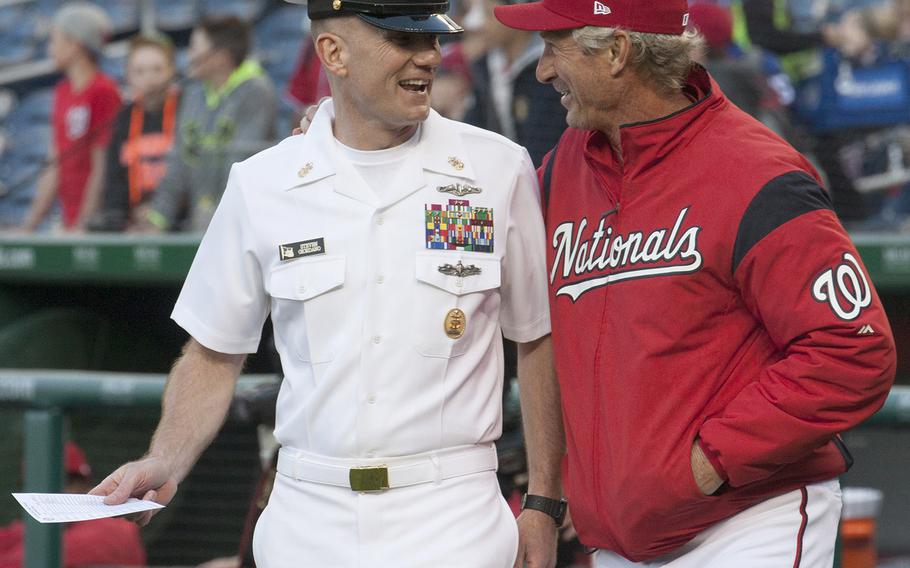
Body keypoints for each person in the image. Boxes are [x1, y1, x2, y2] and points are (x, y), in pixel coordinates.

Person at [91, 1, 564, 567]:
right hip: (304, 519)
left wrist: (543, 502)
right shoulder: (262, 182)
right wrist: (163, 458)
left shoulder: (498, 169)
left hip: (455, 514)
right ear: (333, 53)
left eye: (433, 40)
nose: (429, 56)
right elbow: (213, 351)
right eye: (402, 39)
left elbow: (538, 340)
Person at [492, 1, 897, 567]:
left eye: (555, 47)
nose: (542, 70)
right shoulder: (567, 165)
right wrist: (339, 146)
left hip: (747, 522)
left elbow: (852, 350)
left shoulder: (756, 173)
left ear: (616, 53)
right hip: (622, 539)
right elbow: (482, 241)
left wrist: (708, 464)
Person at [144, 16, 276, 233]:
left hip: (244, 224)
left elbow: (241, 165)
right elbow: (179, 158)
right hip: (202, 224)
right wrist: (157, 218)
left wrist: (219, 224)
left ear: (221, 56)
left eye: (195, 47)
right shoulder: (193, 93)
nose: (189, 55)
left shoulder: (256, 92)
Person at [20, 2, 122, 232]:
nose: (50, 49)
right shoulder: (62, 91)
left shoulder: (104, 90)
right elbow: (55, 161)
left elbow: (102, 164)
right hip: (69, 219)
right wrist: (29, 227)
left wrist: (83, 224)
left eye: (55, 40)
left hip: (92, 223)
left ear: (75, 45)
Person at [0, 442, 146, 567]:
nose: (45, 494)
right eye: (33, 485)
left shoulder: (111, 527)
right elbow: (11, 536)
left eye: (66, 482)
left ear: (83, 485)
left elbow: (21, 562)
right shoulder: (48, 526)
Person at [94, 34, 180, 232]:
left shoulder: (187, 110)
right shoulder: (122, 119)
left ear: (172, 71)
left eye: (157, 69)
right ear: (128, 76)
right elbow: (114, 181)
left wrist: (160, 212)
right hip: (131, 225)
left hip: (177, 222)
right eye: (139, 71)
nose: (149, 79)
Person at [464, 0, 566, 165]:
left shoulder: (549, 68)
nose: (480, 24)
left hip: (541, 174)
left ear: (518, 12)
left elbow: (546, 140)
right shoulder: (485, 67)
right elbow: (474, 127)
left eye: (489, 14)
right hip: (501, 172)